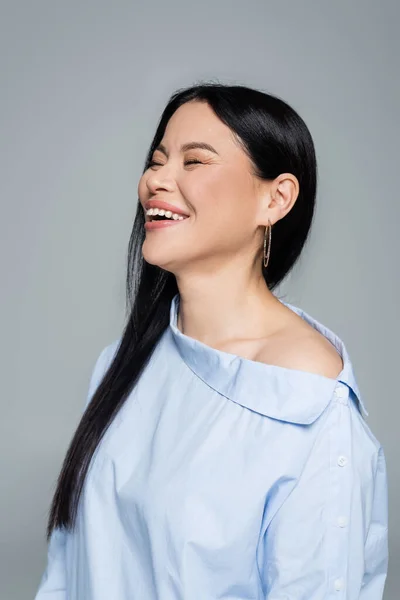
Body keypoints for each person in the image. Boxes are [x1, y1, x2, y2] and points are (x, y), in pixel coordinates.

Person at [34, 83, 388, 599]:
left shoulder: (309, 405)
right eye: (157, 160)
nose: (158, 179)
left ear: (276, 198)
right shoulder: (123, 363)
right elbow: (68, 572)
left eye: (194, 161)